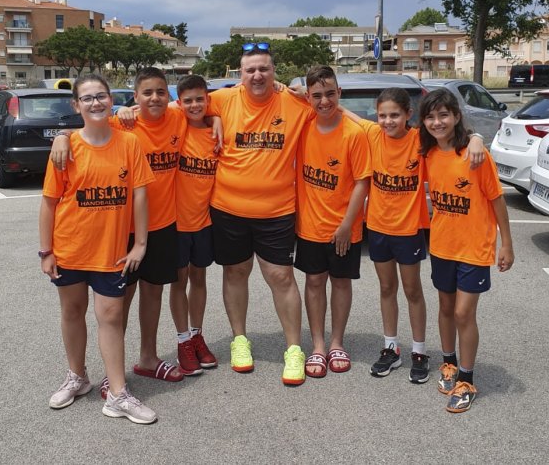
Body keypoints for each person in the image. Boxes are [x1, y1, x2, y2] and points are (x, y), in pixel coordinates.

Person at [51, 67, 191, 395]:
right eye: (147, 93)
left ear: (168, 95)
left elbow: (209, 107)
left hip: (163, 223)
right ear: (134, 97)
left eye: (160, 92)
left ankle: (148, 357)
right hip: (122, 229)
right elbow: (87, 128)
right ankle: (114, 375)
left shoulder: (179, 119)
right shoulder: (122, 122)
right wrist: (61, 135)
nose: (154, 98)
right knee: (117, 303)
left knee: (153, 293)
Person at [342, 89, 484, 384]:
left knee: (412, 290)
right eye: (382, 115)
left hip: (409, 230)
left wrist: (476, 137)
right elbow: (344, 112)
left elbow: (453, 133)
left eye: (395, 115)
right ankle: (391, 347)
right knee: (386, 288)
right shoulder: (372, 133)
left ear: (409, 114)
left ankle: (419, 351)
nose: (388, 121)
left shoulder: (421, 139)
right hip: (379, 228)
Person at [39, 74, 157, 424]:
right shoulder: (66, 147)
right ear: (76, 105)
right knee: (72, 313)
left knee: (111, 317)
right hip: (70, 247)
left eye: (101, 96)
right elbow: (48, 203)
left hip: (111, 252)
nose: (95, 103)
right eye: (87, 98)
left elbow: (139, 194)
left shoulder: (129, 143)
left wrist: (140, 244)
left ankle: (118, 394)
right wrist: (46, 252)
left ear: (111, 100)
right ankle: (78, 377)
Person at [205, 42, 314, 385]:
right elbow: (175, 108)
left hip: (277, 210)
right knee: (236, 272)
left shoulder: (295, 104)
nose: (257, 75)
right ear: (239, 74)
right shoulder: (221, 100)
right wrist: (124, 113)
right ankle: (240, 340)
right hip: (228, 208)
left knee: (281, 277)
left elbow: (339, 115)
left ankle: (294, 349)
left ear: (274, 72)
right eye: (250, 69)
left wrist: (473, 136)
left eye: (264, 69)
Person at [418, 88, 514, 413]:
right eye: (430, 117)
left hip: (474, 248)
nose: (437, 122)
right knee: (445, 308)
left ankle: (467, 378)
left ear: (456, 116)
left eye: (443, 115)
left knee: (463, 313)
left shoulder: (476, 155)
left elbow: (497, 199)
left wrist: (507, 244)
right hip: (442, 245)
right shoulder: (428, 154)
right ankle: (448, 362)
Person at [294, 65, 371, 378]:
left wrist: (345, 225)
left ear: (340, 94)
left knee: (340, 282)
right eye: (316, 95)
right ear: (309, 98)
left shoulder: (355, 133)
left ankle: (337, 343)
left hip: (344, 227)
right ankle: (317, 345)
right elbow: (285, 92)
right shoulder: (304, 123)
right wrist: (297, 90)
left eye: (329, 94)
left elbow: (362, 183)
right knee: (314, 282)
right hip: (310, 225)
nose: (323, 100)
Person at [169, 75, 220, 373]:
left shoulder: (215, 131)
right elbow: (144, 109)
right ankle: (182, 340)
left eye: (199, 99)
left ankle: (197, 335)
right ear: (179, 103)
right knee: (179, 282)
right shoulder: (174, 124)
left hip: (204, 222)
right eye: (187, 100)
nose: (194, 105)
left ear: (208, 99)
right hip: (176, 222)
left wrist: (216, 120)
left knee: (199, 279)